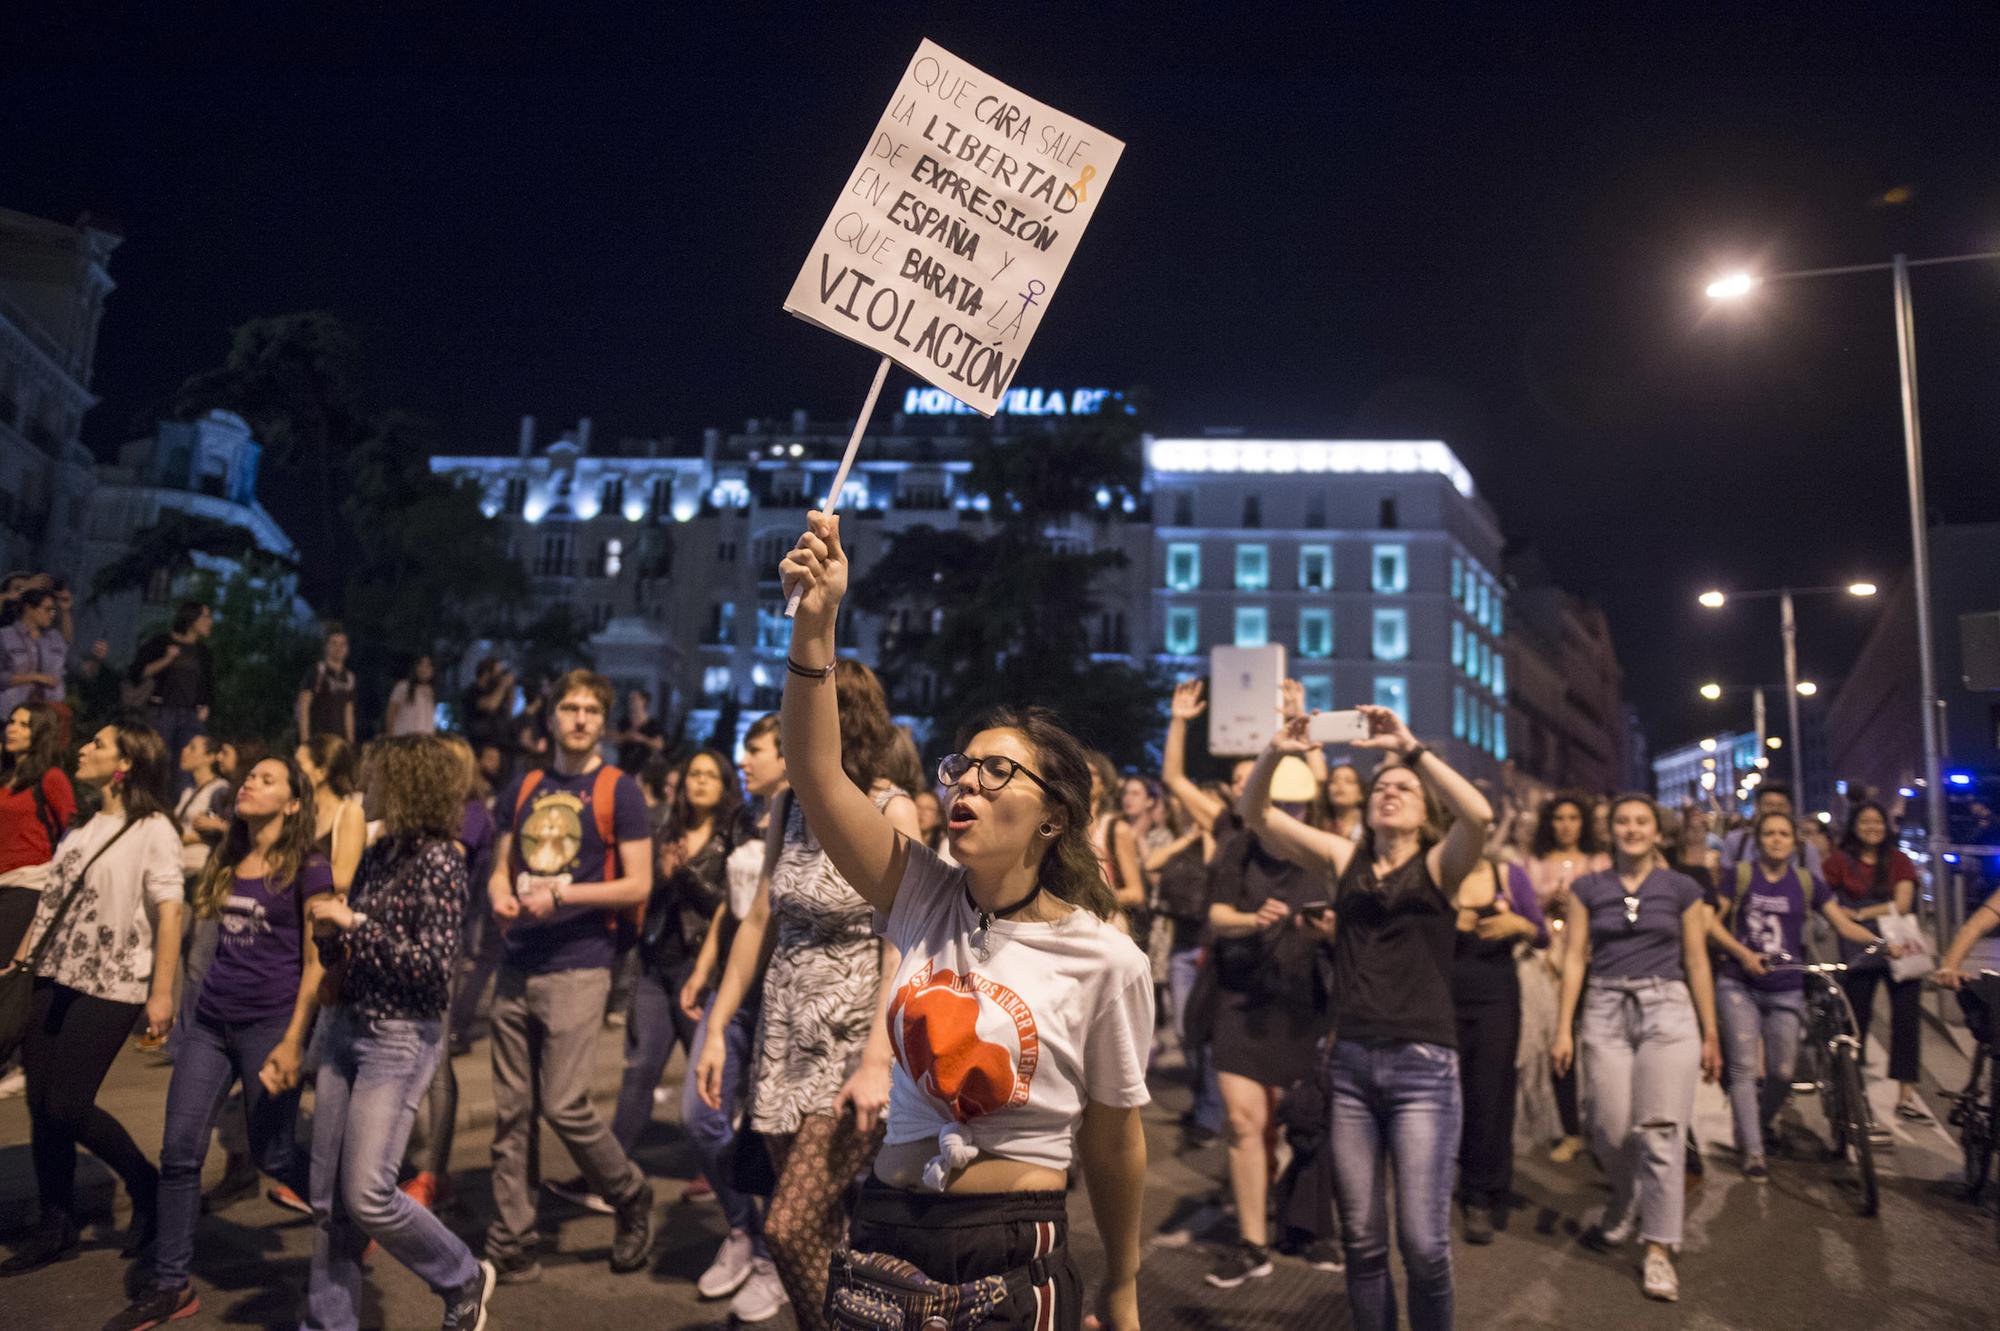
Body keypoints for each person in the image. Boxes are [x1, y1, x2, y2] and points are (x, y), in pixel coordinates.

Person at [753, 510, 1151, 1331]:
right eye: (960, 765)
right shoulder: (923, 892)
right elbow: (818, 773)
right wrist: (817, 626)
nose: (966, 779)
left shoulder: (1107, 960)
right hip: (886, 1236)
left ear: (1055, 817)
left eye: (997, 769)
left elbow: (1115, 1145)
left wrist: (1121, 1286)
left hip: (1014, 1252)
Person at [1239, 703, 1492, 1331]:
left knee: (1424, 1244)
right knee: (1362, 1239)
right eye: (1381, 787)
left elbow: (1481, 815)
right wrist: (1276, 750)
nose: (1389, 793)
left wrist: (1409, 751)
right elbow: (1255, 814)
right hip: (1349, 1065)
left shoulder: (1440, 866)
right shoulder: (1342, 857)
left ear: (1424, 807)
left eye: (1402, 789)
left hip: (1424, 1067)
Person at [695, 654, 918, 1331]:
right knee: (823, 1226)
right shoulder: (787, 804)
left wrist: (881, 1054)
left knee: (789, 1227)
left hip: (852, 1040)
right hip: (784, 1038)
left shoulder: (891, 805)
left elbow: (903, 938)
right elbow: (759, 917)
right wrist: (715, 1027)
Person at [102, 756, 331, 1331]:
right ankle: (171, 1283)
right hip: (208, 1026)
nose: (249, 782)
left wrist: (294, 1040)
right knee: (179, 1152)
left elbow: (314, 963)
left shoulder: (310, 865)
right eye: (249, 775)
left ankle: (346, 1215)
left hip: (269, 1029)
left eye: (266, 779)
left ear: (294, 803)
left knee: (274, 1153)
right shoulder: (228, 859)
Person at [297, 734, 493, 1331]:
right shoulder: (381, 854)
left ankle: (463, 1275)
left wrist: (353, 920)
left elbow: (432, 968)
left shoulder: (442, 860)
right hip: (346, 1026)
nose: (366, 787)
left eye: (378, 776)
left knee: (368, 1193)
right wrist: (330, 935)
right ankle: (329, 1323)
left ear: (407, 785)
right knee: (328, 1201)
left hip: (399, 1037)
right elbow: (353, 949)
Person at [484, 669, 656, 1283]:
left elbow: (639, 883)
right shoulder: (525, 783)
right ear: (551, 716)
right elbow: (500, 866)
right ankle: (513, 1240)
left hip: (580, 963)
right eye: (569, 707)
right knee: (510, 1113)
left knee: (562, 1102)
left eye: (590, 709)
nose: (579, 718)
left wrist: (562, 896)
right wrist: (501, 894)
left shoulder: (619, 791)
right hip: (517, 959)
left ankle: (628, 1191)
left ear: (602, 722)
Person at [0, 723, 184, 1275]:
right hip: (52, 976)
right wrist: (20, 963)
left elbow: (170, 910)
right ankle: (57, 1223)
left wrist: (162, 992)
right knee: (40, 1108)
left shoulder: (153, 829)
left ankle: (145, 1185)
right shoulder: (80, 829)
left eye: (98, 745)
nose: (83, 749)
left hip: (114, 982)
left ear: (125, 764)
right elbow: (55, 901)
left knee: (67, 1104)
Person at [549, 747, 741, 1210]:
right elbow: (646, 897)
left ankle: (718, 1172)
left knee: (708, 1078)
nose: (698, 782)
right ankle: (607, 1177)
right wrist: (660, 877)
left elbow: (730, 905)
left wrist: (685, 875)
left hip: (705, 972)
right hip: (657, 966)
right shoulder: (665, 832)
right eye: (692, 773)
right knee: (638, 1072)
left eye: (708, 776)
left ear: (723, 785)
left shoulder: (732, 838)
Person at [1551, 795, 1723, 1303]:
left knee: (1661, 1134)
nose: (1631, 829)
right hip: (1604, 1006)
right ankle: (1625, 1196)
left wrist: (1711, 1031)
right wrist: (1564, 1026)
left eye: (1641, 821)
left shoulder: (1682, 888)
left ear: (1657, 830)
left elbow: (1696, 961)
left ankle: (1658, 1248)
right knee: (1608, 1128)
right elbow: (1576, 959)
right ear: (1611, 832)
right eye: (1622, 821)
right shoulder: (1588, 887)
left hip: (1667, 1008)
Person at [1203, 691, 1335, 1289]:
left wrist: (1327, 927)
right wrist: (1252, 920)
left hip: (1302, 1000)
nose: (1289, 814)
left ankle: (1301, 1225)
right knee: (1242, 1121)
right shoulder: (1239, 847)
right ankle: (1252, 1243)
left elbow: (1347, 922)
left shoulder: (1324, 854)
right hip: (1241, 995)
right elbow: (1215, 917)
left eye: (1298, 805)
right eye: (1279, 803)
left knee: (1295, 1124)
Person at [676, 712, 788, 1322]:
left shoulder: (804, 817)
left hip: (785, 996)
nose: (743, 761)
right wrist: (703, 971)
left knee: (769, 1133)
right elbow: (732, 908)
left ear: (788, 755)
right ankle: (744, 1226)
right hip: (733, 989)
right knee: (699, 1116)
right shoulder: (746, 816)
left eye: (756, 750)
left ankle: (774, 1253)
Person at [1706, 810, 1883, 1176]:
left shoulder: (1806, 883)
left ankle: (1759, 1121)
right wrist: (1742, 954)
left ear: (1793, 841)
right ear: (1758, 840)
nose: (1775, 839)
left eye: (1783, 834)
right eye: (1768, 833)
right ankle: (1753, 1150)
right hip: (1739, 982)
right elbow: (1710, 922)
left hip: (1787, 987)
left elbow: (1842, 924)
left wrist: (1883, 942)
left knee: (1784, 1071)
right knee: (1742, 1068)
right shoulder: (1739, 876)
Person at [400, 734, 497, 1211]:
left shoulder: (471, 814)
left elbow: (443, 867)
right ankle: (418, 1168)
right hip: (412, 944)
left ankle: (433, 1174)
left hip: (445, 946)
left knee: (437, 1060)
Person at [1450, 852, 1547, 1242]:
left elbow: (1541, 933)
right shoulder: (1436, 873)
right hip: (1441, 996)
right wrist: (1447, 921)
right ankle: (1443, 1182)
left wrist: (1518, 923)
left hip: (1496, 998)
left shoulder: (1508, 875)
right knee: (1445, 1096)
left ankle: (1482, 1194)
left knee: (1490, 1093)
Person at [1822, 801, 1929, 1121]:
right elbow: (1823, 898)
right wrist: (1844, 917)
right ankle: (1854, 1094)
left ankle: (1906, 1096)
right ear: (1854, 826)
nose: (1872, 827)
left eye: (1878, 822)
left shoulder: (1899, 860)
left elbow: (1902, 903)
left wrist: (1858, 912)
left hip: (1898, 944)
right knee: (1857, 1021)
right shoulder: (1839, 861)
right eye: (1865, 821)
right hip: (1856, 946)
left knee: (1907, 1021)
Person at [1521, 791, 1607, 1162]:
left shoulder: (1598, 862)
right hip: (1547, 962)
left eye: (1573, 818)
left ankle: (1603, 1124)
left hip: (1593, 958)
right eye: (1559, 818)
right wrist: (1545, 903)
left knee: (1598, 1045)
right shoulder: (1534, 863)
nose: (1566, 825)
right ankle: (1569, 1127)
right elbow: (1523, 911)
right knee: (1560, 1040)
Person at [0, 704, 75, 963]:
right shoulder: (6, 777)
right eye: (11, 722)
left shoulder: (51, 778)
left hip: (25, 887)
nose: (12, 729)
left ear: (40, 732)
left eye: (23, 725)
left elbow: (73, 832)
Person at [130, 602, 214, 762]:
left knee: (187, 766)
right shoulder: (161, 642)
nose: (210, 621)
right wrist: (166, 659)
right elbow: (138, 672)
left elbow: (207, 684)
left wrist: (206, 706)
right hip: (162, 712)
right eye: (206, 616)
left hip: (191, 715)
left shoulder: (203, 652)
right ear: (191, 618)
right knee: (157, 761)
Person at [297, 734, 366, 896]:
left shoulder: (350, 813)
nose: (292, 773)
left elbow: (343, 879)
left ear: (322, 773)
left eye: (298, 767)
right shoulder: (303, 813)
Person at [1718, 783, 1822, 877]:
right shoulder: (1736, 841)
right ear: (1757, 807)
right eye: (1769, 805)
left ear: (1789, 809)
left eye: (1781, 806)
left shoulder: (1805, 848)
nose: (1774, 810)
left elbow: (1818, 888)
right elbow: (1724, 880)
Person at [0, 587, 67, 720]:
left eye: (54, 610)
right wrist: (35, 677)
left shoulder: (55, 638)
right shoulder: (6, 636)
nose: (52, 614)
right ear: (29, 608)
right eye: (47, 609)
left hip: (49, 714)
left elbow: (66, 667)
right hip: (12, 711)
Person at [296, 624, 357, 744]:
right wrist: (305, 741)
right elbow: (303, 706)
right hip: (318, 741)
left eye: (343, 644)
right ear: (326, 647)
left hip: (339, 742)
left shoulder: (349, 677)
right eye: (334, 643)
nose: (338, 648)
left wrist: (350, 742)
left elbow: (348, 711)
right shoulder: (318, 672)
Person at [613, 689, 666, 773]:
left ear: (644, 701)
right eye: (630, 699)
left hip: (644, 768)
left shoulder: (653, 724)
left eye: (635, 699)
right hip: (624, 765)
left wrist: (642, 739)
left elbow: (660, 745)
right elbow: (615, 741)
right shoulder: (624, 722)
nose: (631, 702)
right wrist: (627, 736)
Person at [385, 654, 439, 736]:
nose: (424, 669)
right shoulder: (403, 686)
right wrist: (391, 737)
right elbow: (391, 713)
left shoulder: (431, 691)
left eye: (428, 666)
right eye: (420, 664)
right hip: (404, 740)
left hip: (425, 742)